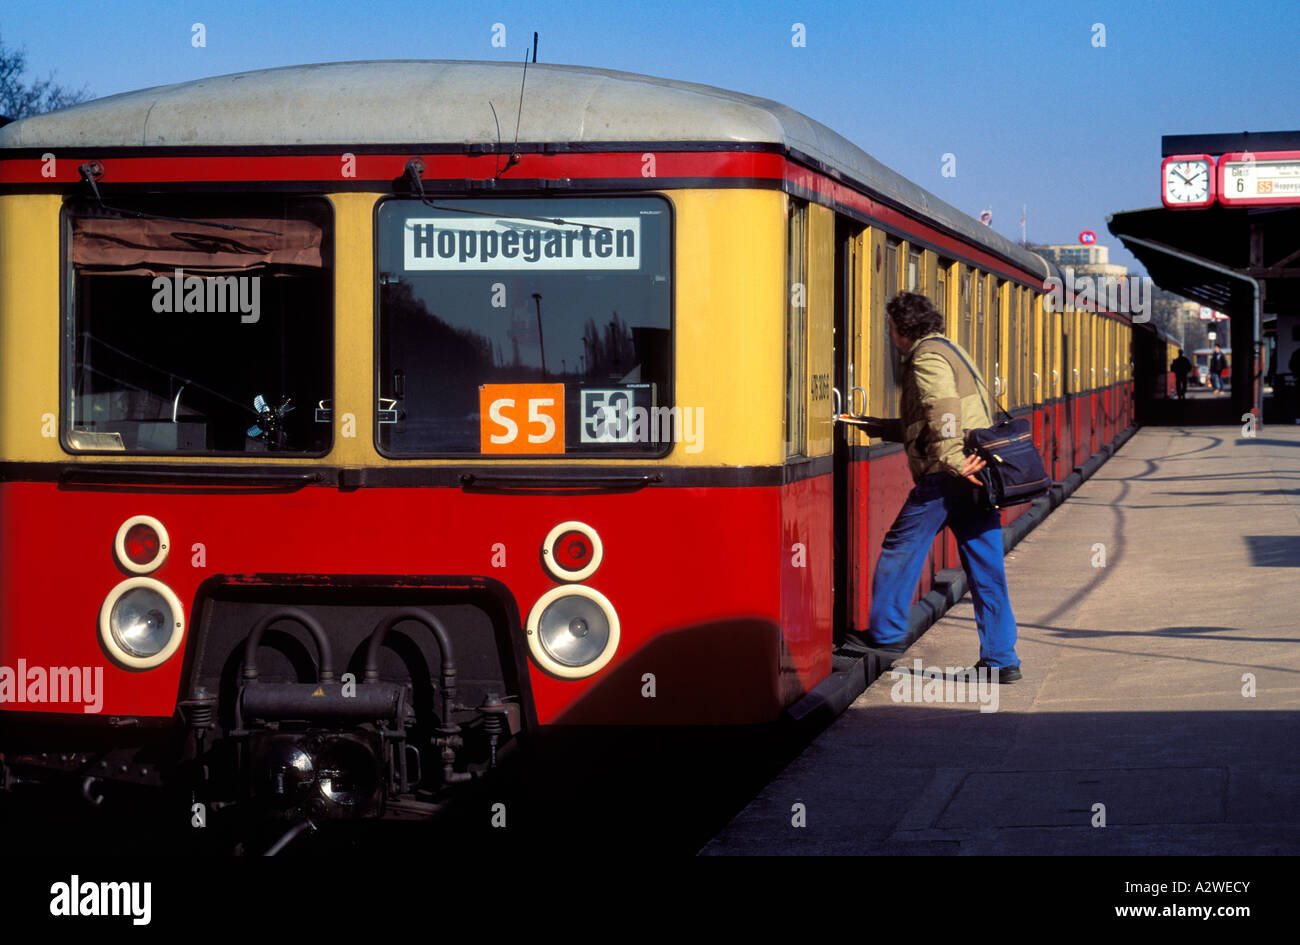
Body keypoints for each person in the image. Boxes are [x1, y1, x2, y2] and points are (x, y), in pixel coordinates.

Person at [837, 292, 1021, 683]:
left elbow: (943, 409)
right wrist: (876, 425)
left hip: (947, 475)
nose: (889, 336)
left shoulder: (925, 356)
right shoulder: (950, 348)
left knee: (900, 548)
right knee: (987, 569)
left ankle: (886, 635)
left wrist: (953, 460)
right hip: (976, 473)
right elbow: (933, 419)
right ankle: (1001, 658)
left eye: (889, 328)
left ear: (903, 329)